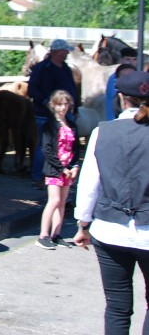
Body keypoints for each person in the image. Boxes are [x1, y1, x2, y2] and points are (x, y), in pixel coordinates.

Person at [74, 70, 149, 334]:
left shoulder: (102, 132)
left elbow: (89, 184)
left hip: (109, 229)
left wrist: (83, 224)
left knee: (116, 307)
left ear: (120, 98)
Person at [28, 39, 79, 189]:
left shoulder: (65, 68)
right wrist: (44, 101)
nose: (67, 53)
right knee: (44, 146)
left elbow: (72, 89)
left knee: (67, 144)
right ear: (58, 52)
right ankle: (38, 177)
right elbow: (32, 89)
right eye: (65, 50)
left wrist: (74, 108)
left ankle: (64, 173)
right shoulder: (42, 68)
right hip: (45, 114)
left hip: (65, 113)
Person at [35, 89, 81, 249]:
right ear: (53, 106)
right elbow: (47, 149)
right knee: (53, 201)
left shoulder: (71, 125)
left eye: (66, 104)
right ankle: (43, 235)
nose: (63, 108)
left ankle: (57, 233)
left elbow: (76, 148)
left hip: (67, 169)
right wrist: (61, 167)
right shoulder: (50, 125)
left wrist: (74, 165)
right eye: (60, 104)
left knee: (62, 202)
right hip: (55, 168)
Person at [105, 48, 139, 120]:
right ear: (121, 60)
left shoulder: (138, 77)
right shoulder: (115, 78)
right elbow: (114, 102)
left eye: (134, 59)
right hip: (116, 119)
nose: (131, 62)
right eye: (128, 59)